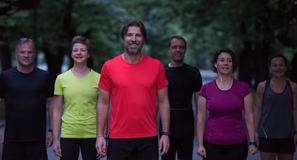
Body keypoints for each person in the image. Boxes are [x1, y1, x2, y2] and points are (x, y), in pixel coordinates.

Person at [96, 20, 170, 160]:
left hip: (148, 137)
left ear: (144, 39)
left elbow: (163, 101)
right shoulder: (109, 66)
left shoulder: (157, 66)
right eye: (129, 35)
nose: (134, 39)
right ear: (123, 38)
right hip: (118, 138)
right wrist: (100, 135)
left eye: (138, 35)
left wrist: (165, 134)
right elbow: (103, 103)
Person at [196, 48, 257, 160]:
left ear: (233, 64)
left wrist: (252, 142)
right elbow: (201, 118)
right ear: (216, 64)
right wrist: (200, 144)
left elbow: (249, 116)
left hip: (238, 145)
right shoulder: (206, 89)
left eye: (229, 60)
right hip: (211, 144)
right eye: (222, 60)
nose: (226, 63)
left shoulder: (244, 88)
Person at [0, 38, 53, 160]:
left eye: (30, 52)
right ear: (16, 53)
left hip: (37, 139)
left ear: (35, 54)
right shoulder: (5, 77)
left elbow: (52, 104)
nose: (26, 55)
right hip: (12, 139)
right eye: (23, 52)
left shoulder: (44, 77)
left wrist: (51, 130)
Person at [51, 35, 100, 160]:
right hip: (68, 133)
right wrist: (56, 139)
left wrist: (102, 136)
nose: (79, 53)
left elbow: (103, 108)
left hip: (92, 133)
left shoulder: (99, 78)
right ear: (71, 53)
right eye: (75, 50)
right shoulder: (61, 79)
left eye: (82, 50)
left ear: (88, 54)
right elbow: (56, 110)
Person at [162, 35, 202, 160]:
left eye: (181, 47)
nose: (178, 50)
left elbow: (199, 104)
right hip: (166, 126)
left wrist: (198, 126)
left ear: (185, 50)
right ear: (169, 50)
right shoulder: (161, 72)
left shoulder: (193, 72)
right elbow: (155, 103)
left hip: (186, 125)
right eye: (174, 47)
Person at [255, 54, 297, 160]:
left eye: (281, 65)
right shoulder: (262, 86)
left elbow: (296, 110)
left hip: (287, 135)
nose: (278, 68)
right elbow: (258, 109)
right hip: (266, 135)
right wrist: (254, 132)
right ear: (270, 68)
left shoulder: (293, 87)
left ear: (285, 67)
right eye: (274, 65)